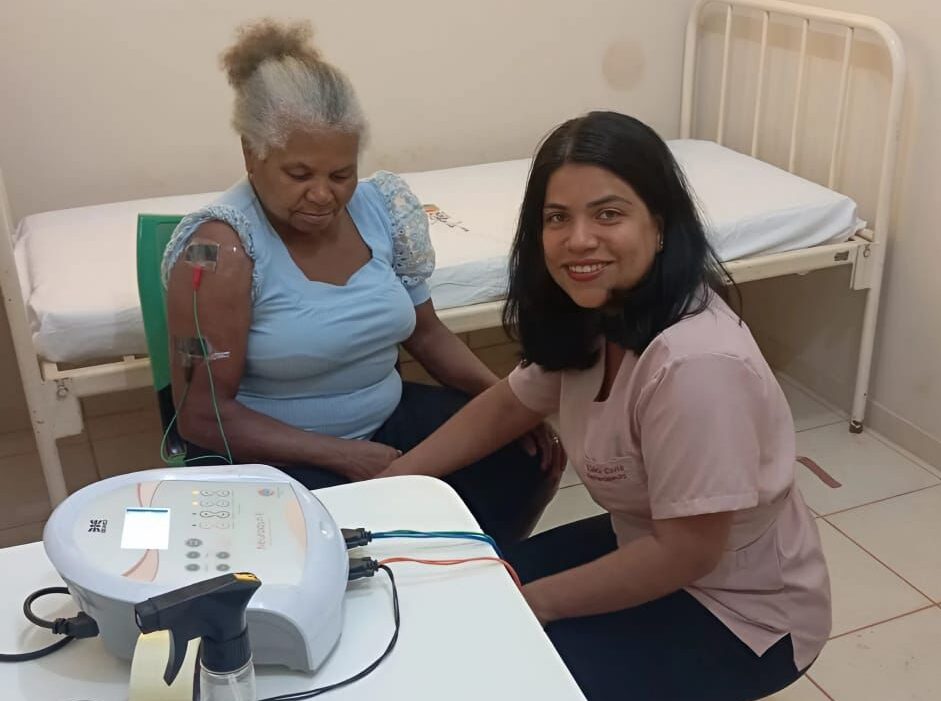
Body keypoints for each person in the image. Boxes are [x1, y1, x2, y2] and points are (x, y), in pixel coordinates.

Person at [382, 111, 832, 700]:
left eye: (608, 214)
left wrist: (532, 606)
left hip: (741, 613)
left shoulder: (697, 364)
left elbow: (688, 553)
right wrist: (390, 483)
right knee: (467, 600)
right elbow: (509, 405)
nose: (578, 240)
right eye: (557, 218)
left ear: (660, 224)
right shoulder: (600, 312)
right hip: (644, 541)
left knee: (496, 669)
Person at [161, 19, 562, 547]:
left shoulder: (382, 210)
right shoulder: (219, 253)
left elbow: (427, 334)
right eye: (300, 175)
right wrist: (343, 456)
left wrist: (507, 404)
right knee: (354, 545)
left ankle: (481, 570)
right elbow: (202, 417)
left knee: (525, 457)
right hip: (276, 452)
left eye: (340, 175)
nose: (323, 195)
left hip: (387, 416)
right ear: (251, 154)